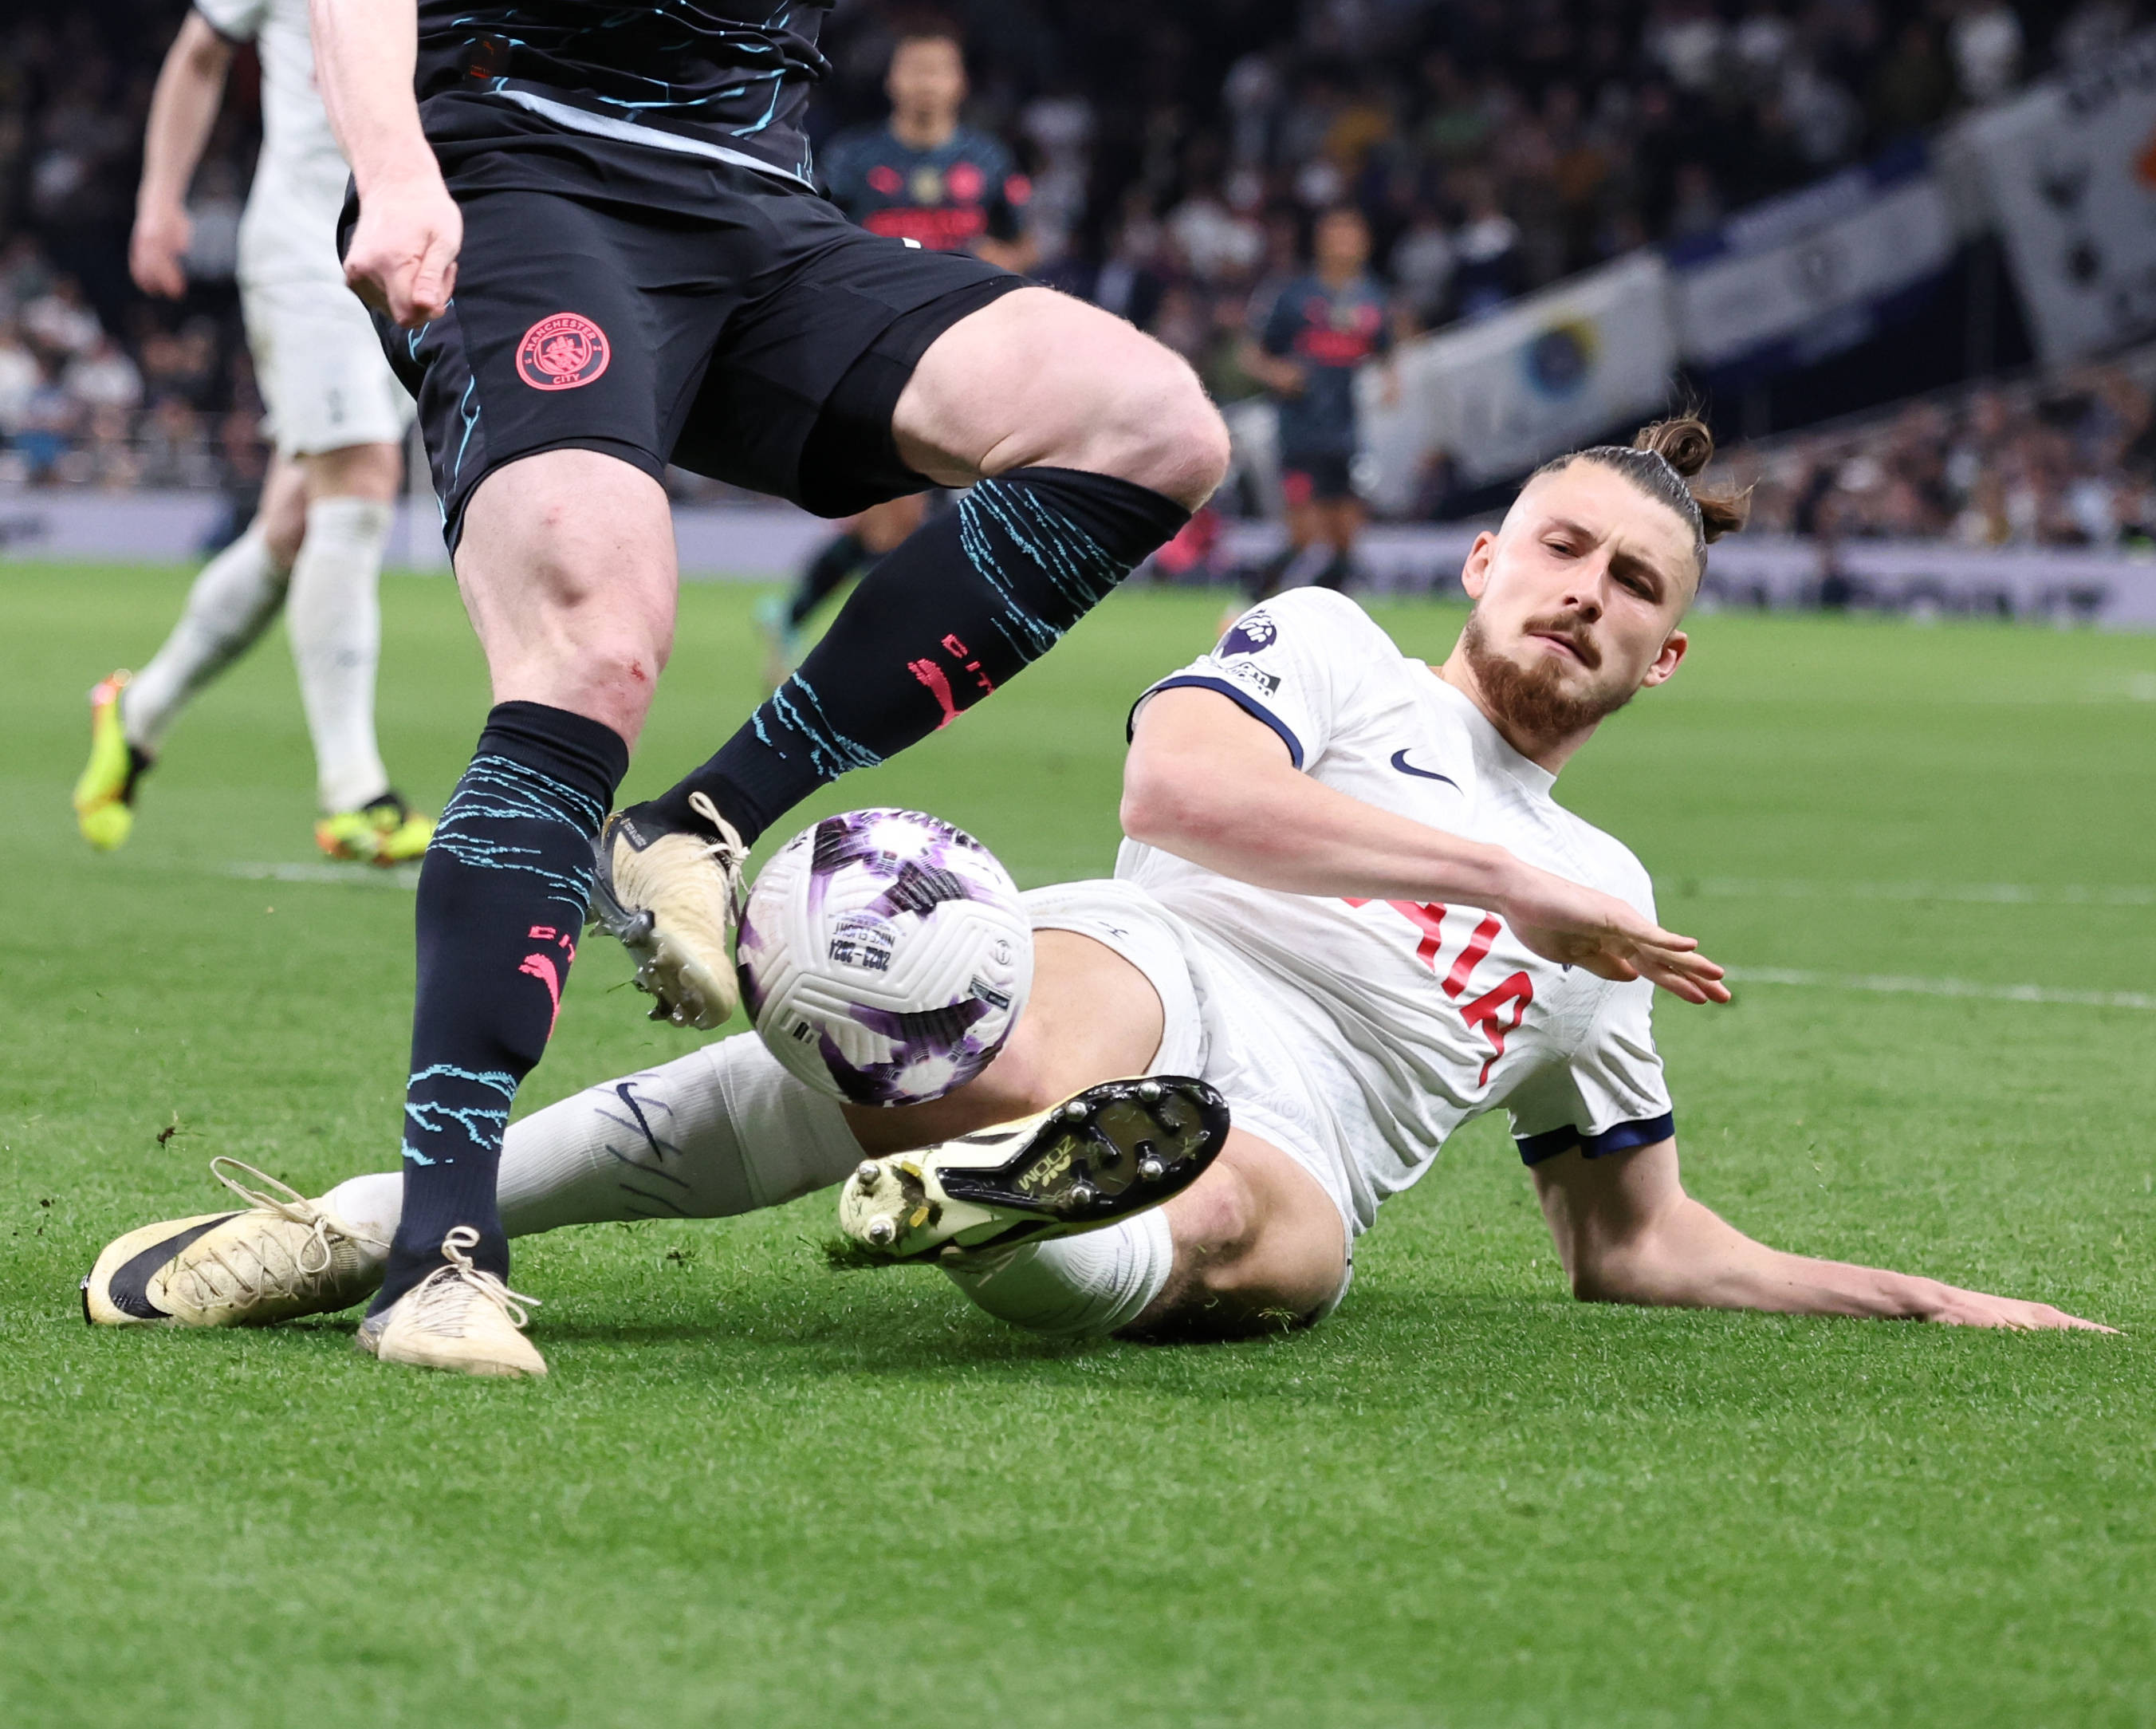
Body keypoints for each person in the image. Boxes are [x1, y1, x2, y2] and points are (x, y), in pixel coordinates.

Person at [303, 0, 1302, 1373]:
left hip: (760, 210)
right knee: (597, 627)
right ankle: (438, 1252)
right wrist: (395, 173)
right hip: (528, 180)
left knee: (1153, 422)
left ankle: (705, 824)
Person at [89, 420, 2102, 1369]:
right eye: (1561, 546)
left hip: (1300, 1132)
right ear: (1486, 556)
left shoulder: (1610, 909)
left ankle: (1006, 1202)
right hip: (1150, 957)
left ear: (1663, 657)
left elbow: (1634, 1243)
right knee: (978, 1007)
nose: (1586, 591)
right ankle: (370, 1219)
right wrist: (1502, 874)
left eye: (1632, 584)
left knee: (1268, 1230)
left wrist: (1917, 1294)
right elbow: (1181, 791)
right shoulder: (1335, 650)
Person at [71, 0, 430, 866]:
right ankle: (354, 792)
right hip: (308, 249)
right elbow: (198, 54)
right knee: (361, 477)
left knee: (295, 521)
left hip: (416, 252)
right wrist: (161, 199)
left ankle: (137, 713)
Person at [758, 18, 1037, 679]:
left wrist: (996, 261)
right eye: (915, 69)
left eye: (939, 70)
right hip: (876, 345)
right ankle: (880, 658)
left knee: (899, 516)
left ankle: (798, 613)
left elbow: (1023, 243)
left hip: (965, 351)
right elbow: (814, 234)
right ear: (893, 80)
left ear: (959, 83)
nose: (926, 83)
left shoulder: (987, 161)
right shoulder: (854, 159)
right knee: (901, 509)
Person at [1240, 203, 1393, 598]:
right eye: (1337, 234)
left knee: (1345, 540)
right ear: (1321, 241)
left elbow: (1386, 351)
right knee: (1303, 537)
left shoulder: (1372, 298)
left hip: (1346, 432)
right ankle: (1249, 598)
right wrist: (1278, 374)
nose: (1345, 243)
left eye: (1353, 234)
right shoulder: (1294, 295)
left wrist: (1391, 381)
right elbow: (1251, 354)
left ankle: (1326, 612)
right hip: (1300, 430)